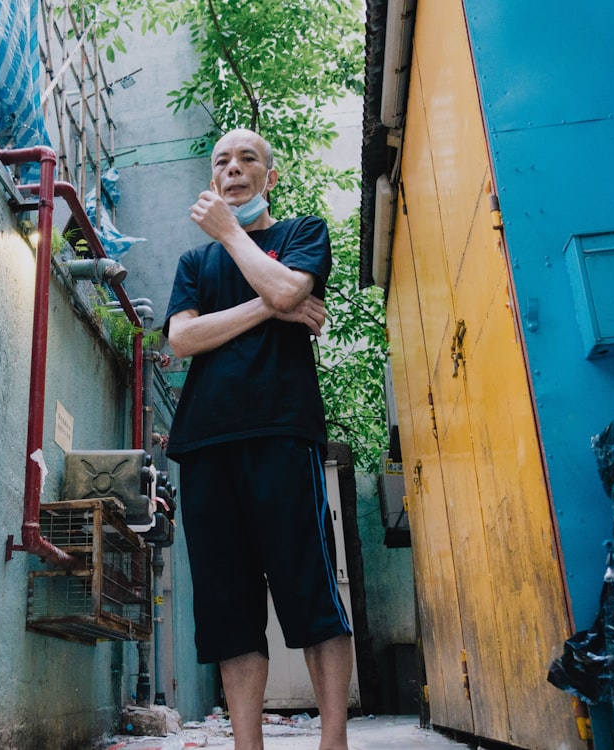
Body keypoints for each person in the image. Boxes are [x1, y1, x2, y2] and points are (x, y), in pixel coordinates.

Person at [163, 128, 354, 750]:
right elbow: (182, 340)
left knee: (309, 589)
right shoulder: (194, 265)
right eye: (222, 160)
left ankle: (333, 740)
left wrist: (233, 239)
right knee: (227, 605)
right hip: (205, 443)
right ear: (212, 179)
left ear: (269, 177)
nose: (234, 168)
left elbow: (288, 285)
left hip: (281, 430)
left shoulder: (302, 233)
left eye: (248, 159)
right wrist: (272, 306)